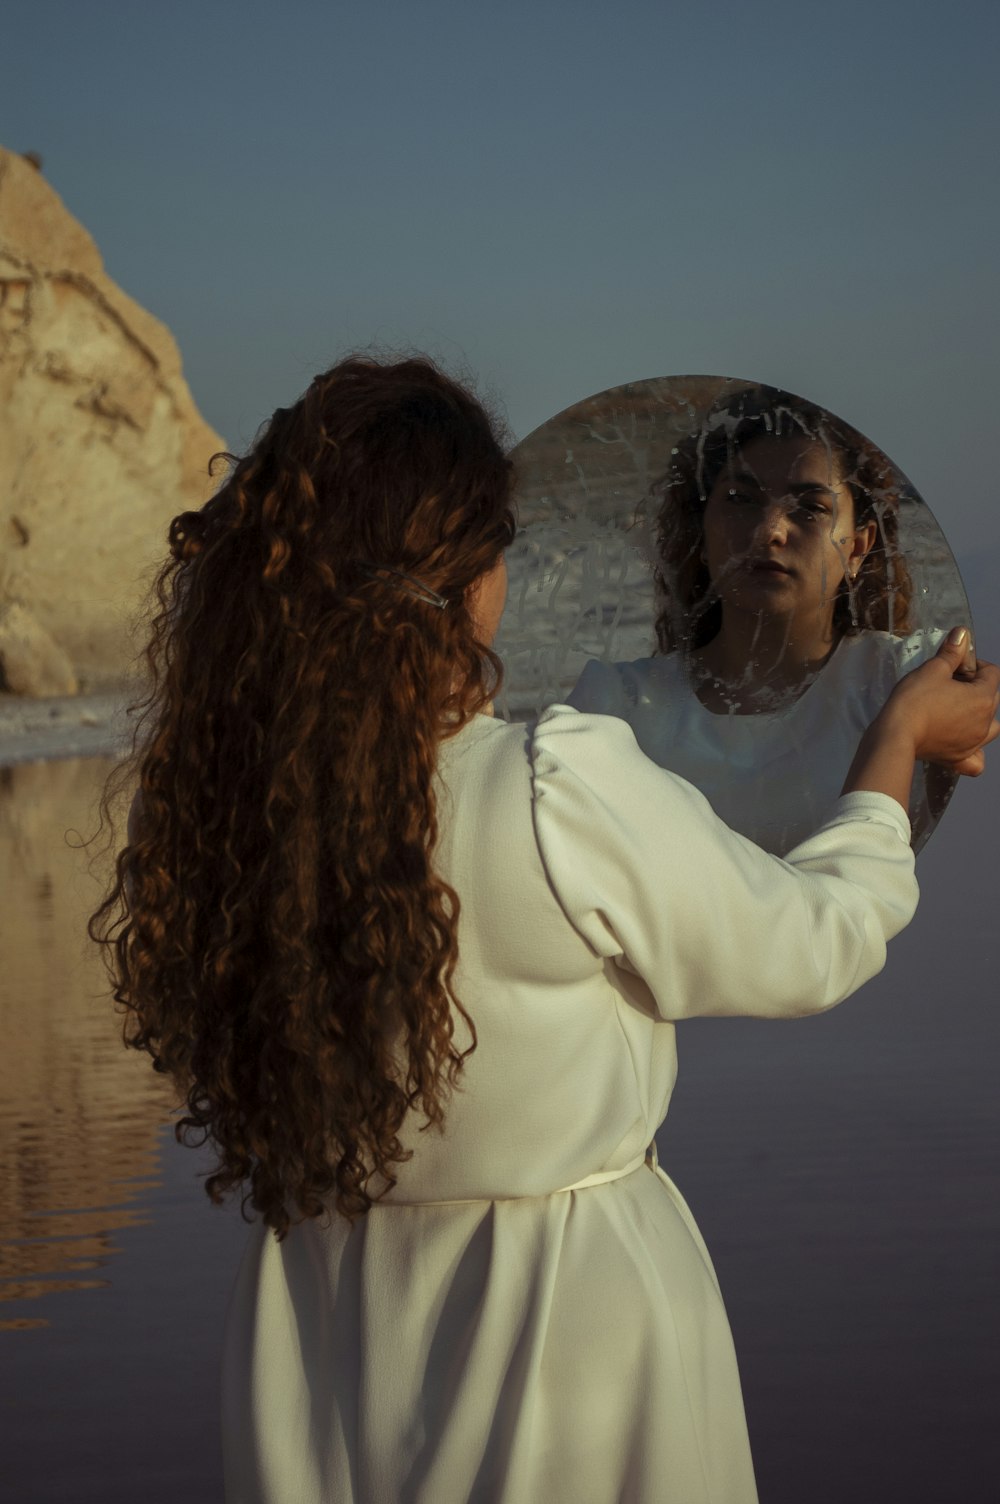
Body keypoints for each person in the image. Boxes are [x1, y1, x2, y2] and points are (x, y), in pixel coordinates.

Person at [90, 356, 1000, 1504]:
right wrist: (896, 747)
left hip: (318, 1330)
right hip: (565, 1333)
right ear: (462, 574)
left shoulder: (235, 816)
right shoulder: (554, 785)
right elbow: (813, 939)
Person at [568, 387, 955, 852]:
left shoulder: (909, 681)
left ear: (857, 546)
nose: (769, 530)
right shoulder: (616, 707)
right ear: (701, 529)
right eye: (740, 498)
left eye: (811, 508)